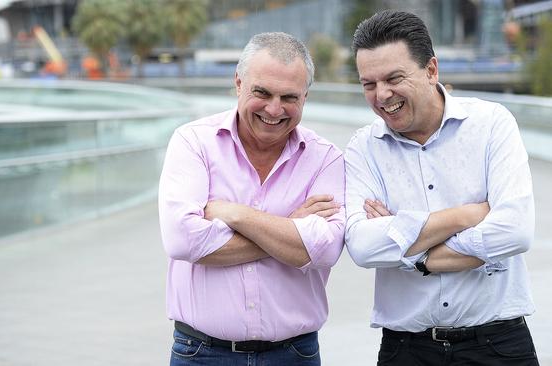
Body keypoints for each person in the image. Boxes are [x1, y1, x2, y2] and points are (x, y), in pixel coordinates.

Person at [345, 10, 539, 365]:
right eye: (368, 84)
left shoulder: (491, 125)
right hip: (406, 350)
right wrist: (467, 216)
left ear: (431, 70)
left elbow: (515, 231)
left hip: (499, 346)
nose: (382, 95)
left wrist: (415, 254)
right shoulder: (363, 148)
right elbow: (362, 247)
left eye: (393, 78)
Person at [159, 32, 346, 365]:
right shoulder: (193, 143)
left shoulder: (326, 158)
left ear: (306, 96)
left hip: (294, 355)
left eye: (289, 97)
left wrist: (235, 215)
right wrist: (291, 229)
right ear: (238, 82)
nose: (274, 109)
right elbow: (183, 241)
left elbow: (325, 249)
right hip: (201, 354)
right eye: (262, 92)